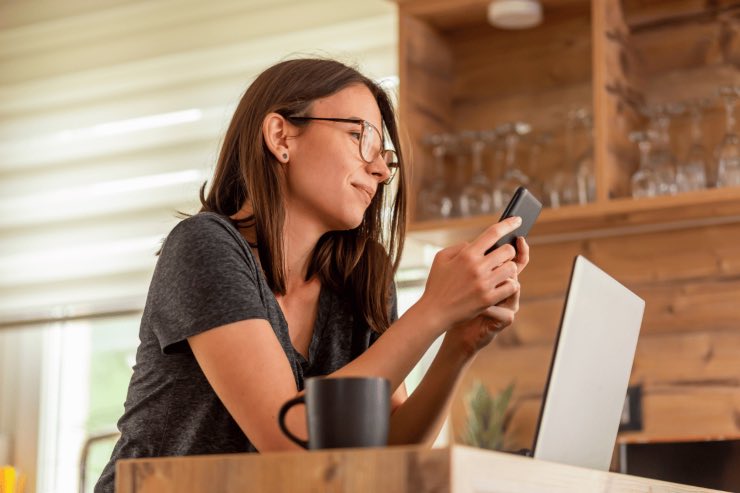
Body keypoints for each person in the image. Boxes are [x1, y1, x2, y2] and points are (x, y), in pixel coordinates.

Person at [95, 57, 529, 492]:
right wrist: (433, 311)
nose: (380, 170)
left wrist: (459, 343)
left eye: (384, 156)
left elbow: (390, 455)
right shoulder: (203, 246)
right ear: (281, 136)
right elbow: (290, 443)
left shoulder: (359, 277)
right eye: (359, 136)